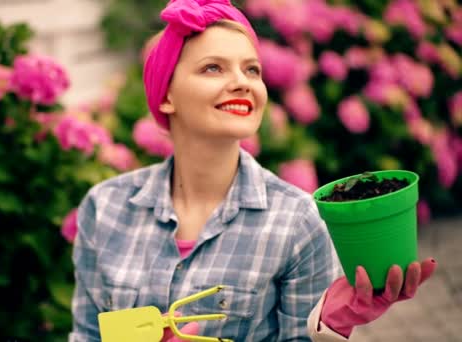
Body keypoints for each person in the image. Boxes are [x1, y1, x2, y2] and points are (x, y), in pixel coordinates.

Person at [68, 0, 437, 341]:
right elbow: (85, 334)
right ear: (166, 95)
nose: (243, 82)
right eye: (213, 67)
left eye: (252, 69)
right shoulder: (105, 209)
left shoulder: (297, 220)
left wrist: (331, 323)